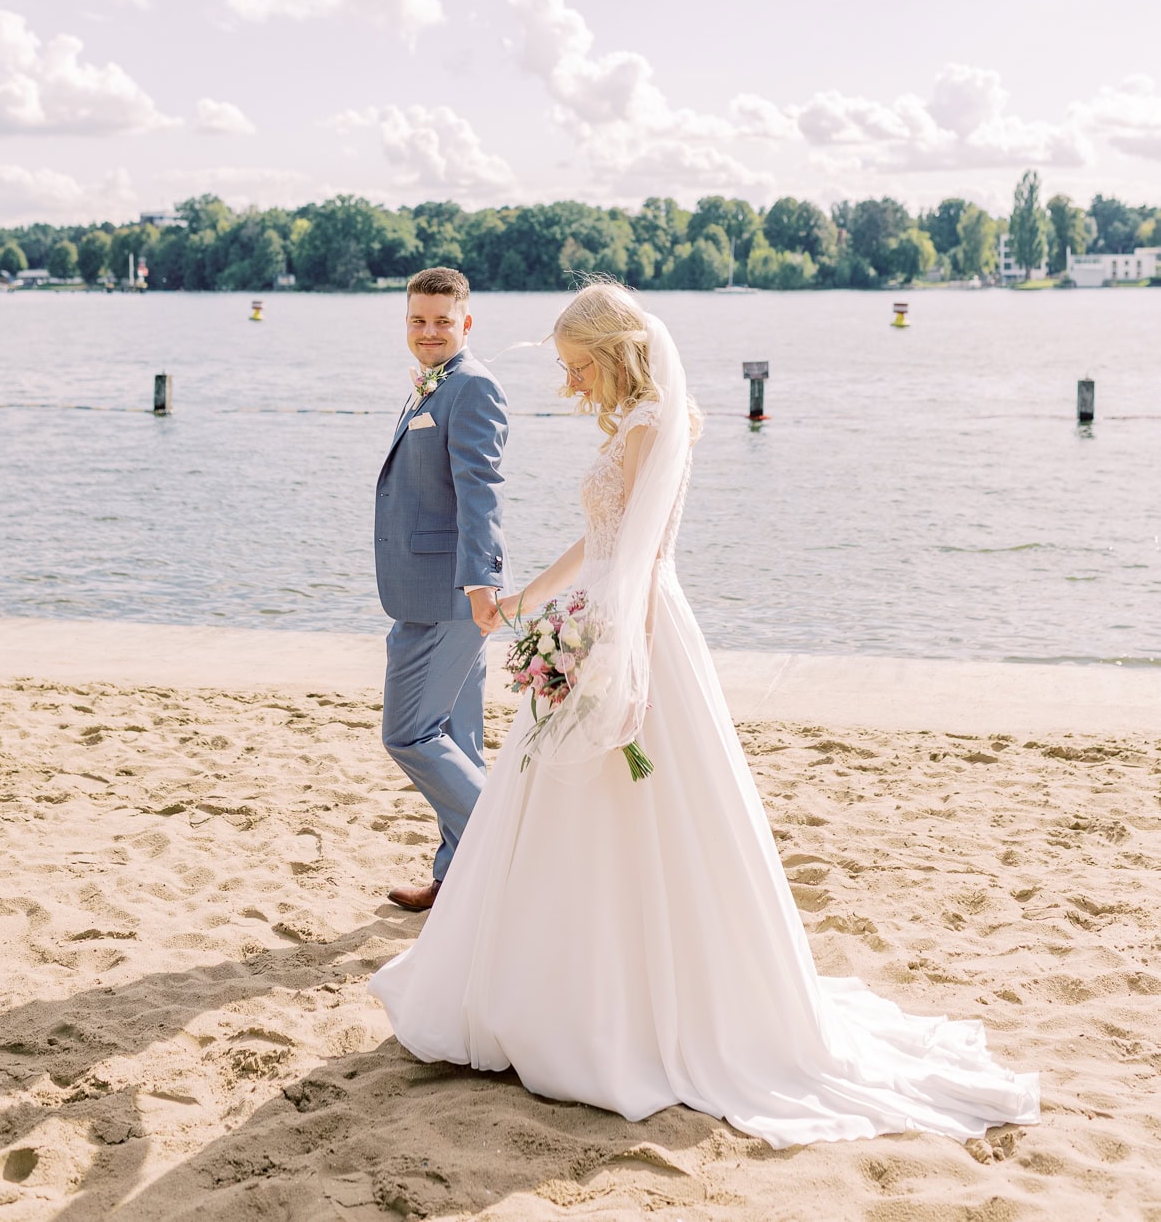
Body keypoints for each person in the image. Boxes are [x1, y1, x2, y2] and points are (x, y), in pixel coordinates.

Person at [369, 281, 1039, 1148]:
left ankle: (608, 1012)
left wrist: (621, 662)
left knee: (630, 811)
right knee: (559, 811)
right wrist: (538, 592)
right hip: (604, 614)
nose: (572, 386)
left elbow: (640, 566)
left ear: (613, 356)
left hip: (635, 629)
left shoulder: (651, 426)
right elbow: (608, 537)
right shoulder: (638, 424)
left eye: (578, 368)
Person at [374, 266, 509, 913]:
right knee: (458, 738)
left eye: (442, 321)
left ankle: (511, 848)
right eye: (417, 320)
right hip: (419, 590)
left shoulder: (474, 386)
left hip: (452, 595)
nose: (429, 332)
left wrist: (483, 580)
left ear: (467, 323)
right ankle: (458, 881)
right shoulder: (433, 384)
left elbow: (482, 490)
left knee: (409, 734)